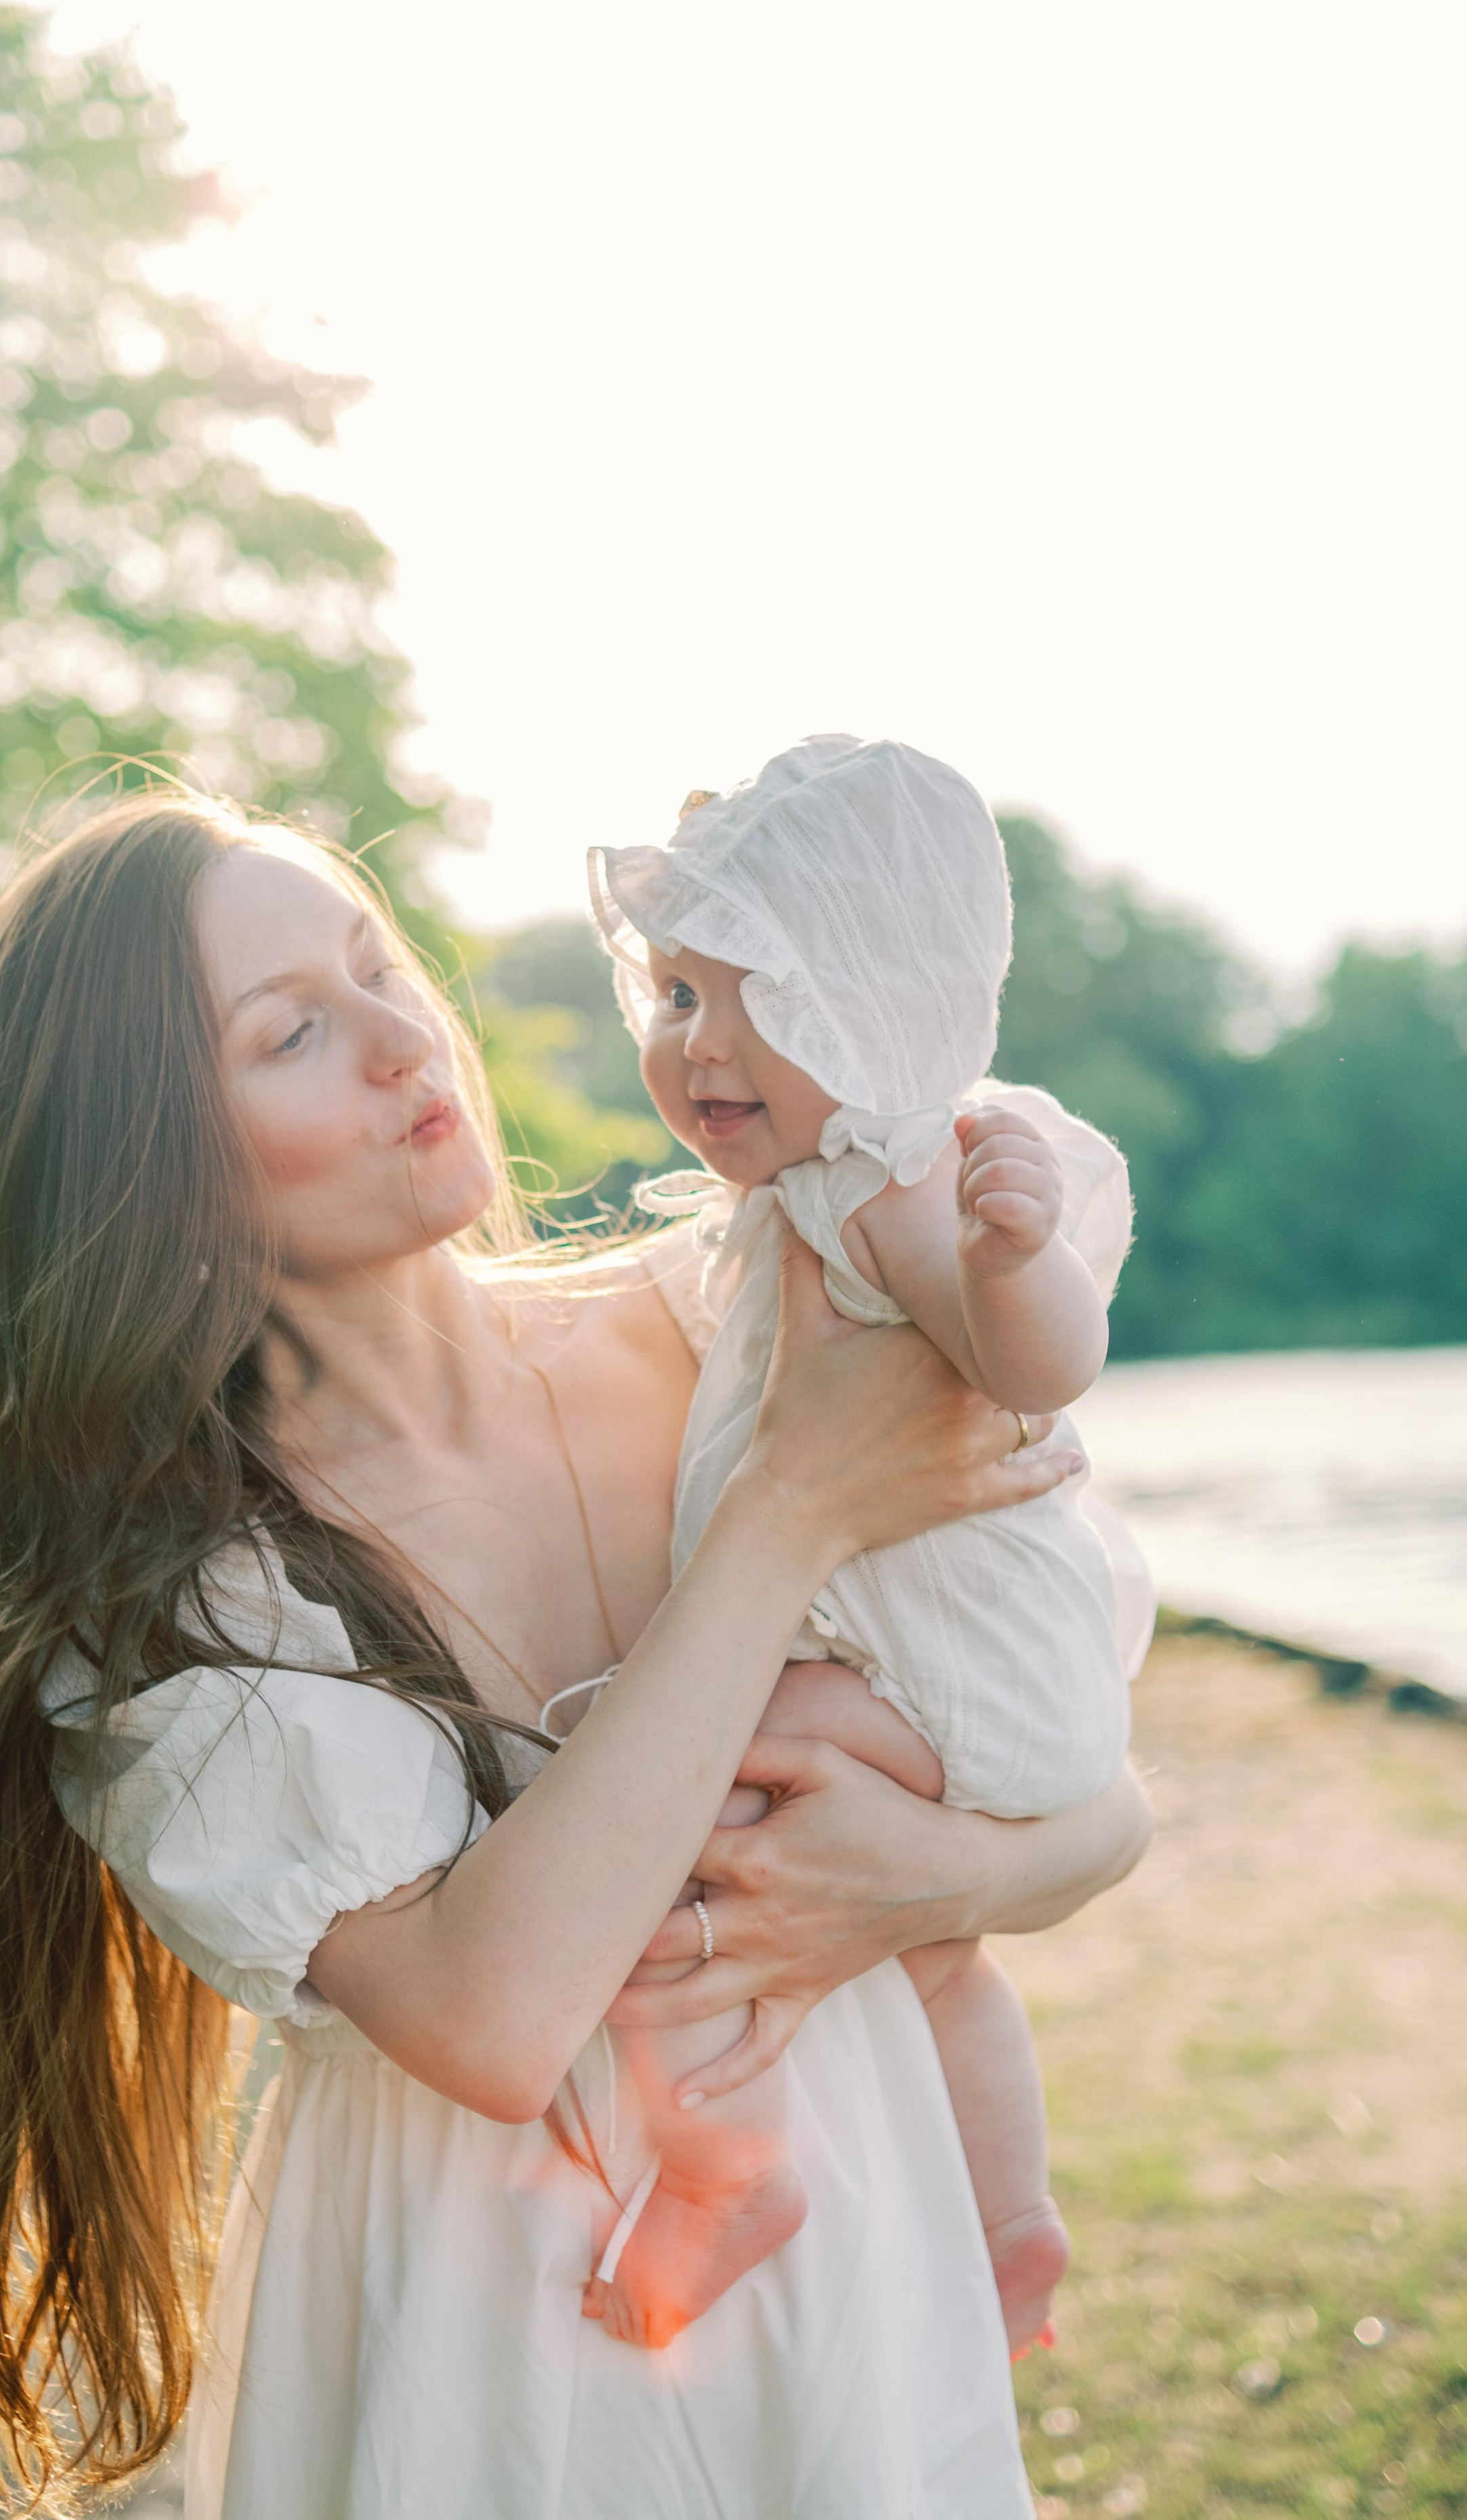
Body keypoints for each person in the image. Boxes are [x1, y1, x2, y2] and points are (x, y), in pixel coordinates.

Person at [0, 785, 1151, 2520]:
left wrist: (928, 1881)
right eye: (296, 1030)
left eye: (378, 966)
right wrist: (783, 1516)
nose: (404, 1038)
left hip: (850, 2229)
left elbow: (1065, 1756)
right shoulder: (185, 1600)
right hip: (473, 2330)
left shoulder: (744, 1316)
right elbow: (488, 2014)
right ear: (150, 1159)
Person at [582, 734, 1156, 2358]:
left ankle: (719, 2167)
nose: (695, 1046)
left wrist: (1014, 1254)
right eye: (674, 995)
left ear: (872, 998)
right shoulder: (811, 1190)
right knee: (940, 1963)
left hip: (950, 1675)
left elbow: (1035, 1367)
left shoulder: (909, 1181)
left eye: (748, 995)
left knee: (648, 1817)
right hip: (958, 1677)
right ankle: (1010, 2221)